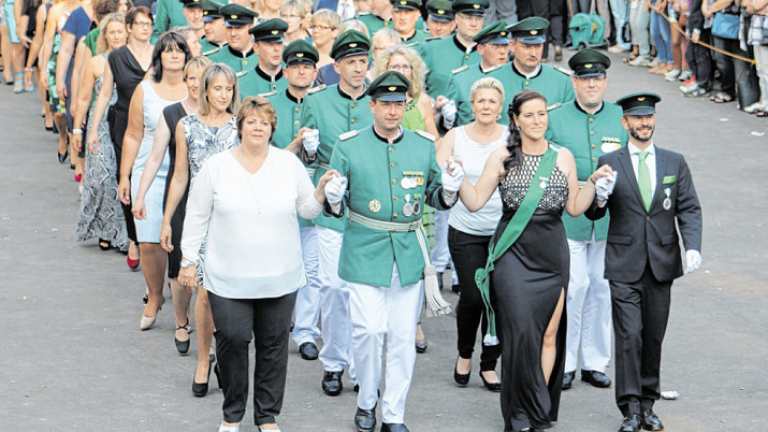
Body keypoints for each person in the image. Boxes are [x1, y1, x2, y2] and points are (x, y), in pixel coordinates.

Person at [458, 90, 615, 431]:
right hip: (513, 252)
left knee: (548, 334)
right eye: (529, 115)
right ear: (515, 119)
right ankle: (516, 412)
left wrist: (595, 184)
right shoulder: (501, 157)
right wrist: (454, 180)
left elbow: (575, 206)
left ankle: (537, 407)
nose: (537, 120)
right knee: (520, 334)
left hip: (551, 253)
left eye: (542, 114)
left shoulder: (562, 157)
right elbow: (473, 200)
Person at [179, 96, 337, 432]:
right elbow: (196, 215)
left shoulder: (288, 164)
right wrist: (189, 261)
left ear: (272, 129)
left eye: (264, 122)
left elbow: (307, 210)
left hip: (279, 276)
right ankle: (231, 415)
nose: (257, 127)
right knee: (233, 340)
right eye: (251, 121)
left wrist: (321, 191)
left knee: (273, 346)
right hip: (228, 276)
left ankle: (267, 416)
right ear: (240, 127)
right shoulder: (217, 166)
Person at [325, 70, 461, 432]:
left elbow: (434, 195)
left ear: (406, 106)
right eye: (385, 104)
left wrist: (449, 189)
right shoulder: (349, 145)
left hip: (407, 252)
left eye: (398, 104)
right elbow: (333, 200)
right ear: (372, 105)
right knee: (368, 331)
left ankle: (394, 413)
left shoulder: (420, 144)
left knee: (402, 339)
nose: (391, 111)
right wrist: (333, 199)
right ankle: (367, 399)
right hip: (364, 250)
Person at [585, 93, 702, 432]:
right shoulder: (610, 161)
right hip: (624, 262)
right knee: (628, 336)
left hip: (662, 262)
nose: (644, 123)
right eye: (637, 118)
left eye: (648, 117)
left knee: (652, 337)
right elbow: (595, 211)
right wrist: (601, 194)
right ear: (625, 123)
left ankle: (648, 404)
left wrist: (692, 245)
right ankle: (630, 408)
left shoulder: (673, 162)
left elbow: (689, 207)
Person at [546, 48, 628, 392]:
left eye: (597, 79)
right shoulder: (556, 118)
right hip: (569, 217)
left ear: (605, 82)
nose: (591, 85)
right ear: (574, 82)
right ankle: (566, 361)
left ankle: (595, 361)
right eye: (584, 79)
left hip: (610, 220)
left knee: (601, 287)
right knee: (574, 287)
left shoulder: (621, 117)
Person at [300, 28, 373, 397]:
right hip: (331, 207)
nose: (359, 68)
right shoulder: (318, 101)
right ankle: (333, 362)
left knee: (361, 291)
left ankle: (360, 367)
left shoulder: (378, 100)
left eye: (363, 61)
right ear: (337, 66)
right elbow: (307, 157)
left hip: (368, 207)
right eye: (352, 62)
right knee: (332, 287)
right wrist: (318, 170)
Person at [436, 76, 506, 391]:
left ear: (501, 107)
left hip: (503, 231)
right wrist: (451, 171)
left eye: (492, 101)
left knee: (501, 298)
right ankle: (465, 353)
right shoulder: (455, 136)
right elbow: (438, 166)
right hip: (465, 229)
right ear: (472, 104)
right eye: (481, 101)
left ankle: (489, 363)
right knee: (474, 296)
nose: (486, 106)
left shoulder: (510, 137)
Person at [118, 31, 190, 330]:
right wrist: (125, 175)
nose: (174, 55)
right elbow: (133, 133)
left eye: (179, 50)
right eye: (168, 50)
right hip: (149, 171)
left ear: (187, 56)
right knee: (148, 242)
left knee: (179, 241)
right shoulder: (145, 90)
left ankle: (184, 305)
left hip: (184, 171)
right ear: (158, 56)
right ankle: (155, 295)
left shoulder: (195, 89)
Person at [265, 40, 324, 361]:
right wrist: (297, 143)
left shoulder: (325, 103)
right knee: (280, 266)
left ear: (316, 71)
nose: (302, 71)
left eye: (307, 66)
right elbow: (265, 157)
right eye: (295, 66)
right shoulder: (270, 105)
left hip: (314, 197)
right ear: (285, 71)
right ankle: (276, 323)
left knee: (312, 269)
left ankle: (305, 331)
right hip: (279, 198)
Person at [86, 5, 153, 270]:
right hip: (123, 122)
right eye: (140, 24)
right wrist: (92, 130)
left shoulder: (160, 54)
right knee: (126, 178)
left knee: (152, 175)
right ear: (129, 28)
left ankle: (152, 233)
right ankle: (134, 237)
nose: (145, 29)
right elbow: (104, 95)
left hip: (154, 123)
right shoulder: (116, 58)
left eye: (148, 24)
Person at [74, 12, 128, 251]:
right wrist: (78, 129)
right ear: (105, 35)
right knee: (103, 177)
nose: (116, 36)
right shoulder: (96, 62)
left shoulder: (135, 60)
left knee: (122, 176)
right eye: (112, 32)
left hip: (127, 120)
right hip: (101, 122)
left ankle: (125, 235)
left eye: (120, 31)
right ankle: (105, 229)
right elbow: (85, 98)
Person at [500, 17, 574, 120]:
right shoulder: (494, 80)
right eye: (527, 46)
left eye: (538, 46)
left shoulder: (562, 82)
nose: (533, 53)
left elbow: (568, 121)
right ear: (512, 46)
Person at [421, 0, 486, 101]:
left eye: (478, 18)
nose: (474, 24)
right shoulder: (431, 49)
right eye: (468, 18)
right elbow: (415, 88)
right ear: (456, 19)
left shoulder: (490, 52)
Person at [451, 21, 512, 126]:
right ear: (480, 49)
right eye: (496, 46)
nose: (502, 52)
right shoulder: (461, 78)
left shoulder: (516, 77)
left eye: (505, 46)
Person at [239, 18, 288, 96]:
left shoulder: (294, 79)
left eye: (279, 43)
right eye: (270, 44)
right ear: (256, 48)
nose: (276, 49)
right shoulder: (243, 85)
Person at [207, 3, 257, 76]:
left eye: (238, 28)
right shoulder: (213, 61)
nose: (233, 33)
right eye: (229, 28)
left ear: (251, 27)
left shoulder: (266, 56)